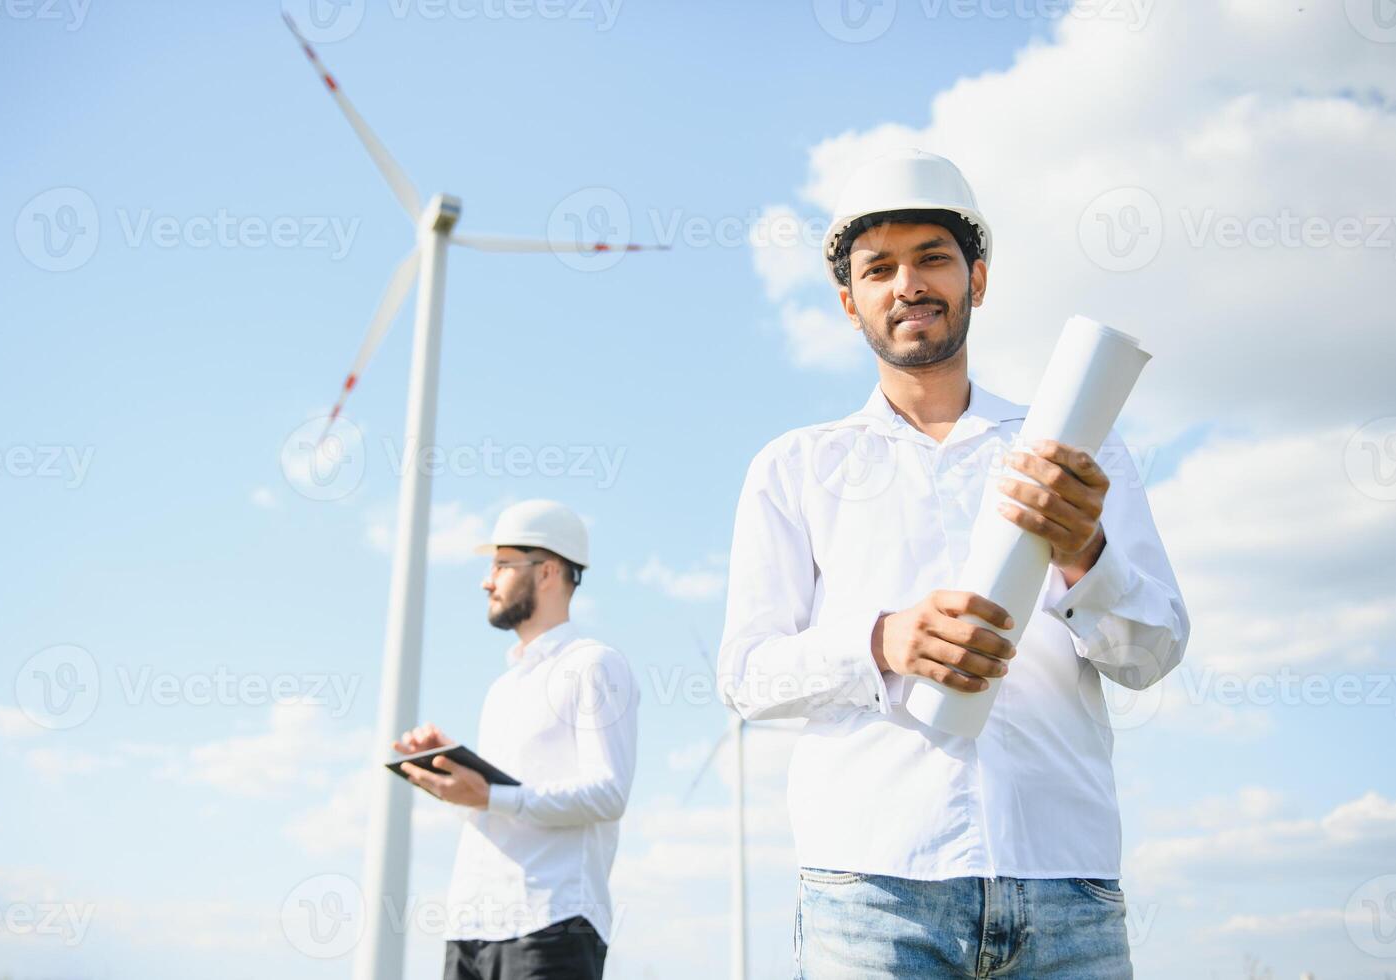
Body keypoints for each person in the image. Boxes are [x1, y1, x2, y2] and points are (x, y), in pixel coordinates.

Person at [717, 150, 1190, 979]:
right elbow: (748, 676)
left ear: (977, 278)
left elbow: (1150, 653)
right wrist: (882, 641)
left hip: (1065, 885)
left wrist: (1083, 551)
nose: (908, 284)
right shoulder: (793, 467)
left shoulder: (1078, 446)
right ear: (847, 301)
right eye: (879, 269)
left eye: (932, 258)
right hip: (869, 893)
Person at [395, 499, 638, 980]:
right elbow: (500, 801)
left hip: (551, 926)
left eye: (502, 565)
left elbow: (609, 793)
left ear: (548, 571)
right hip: (471, 926)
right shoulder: (502, 688)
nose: (487, 580)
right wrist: (449, 773)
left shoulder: (593, 664)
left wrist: (490, 794)